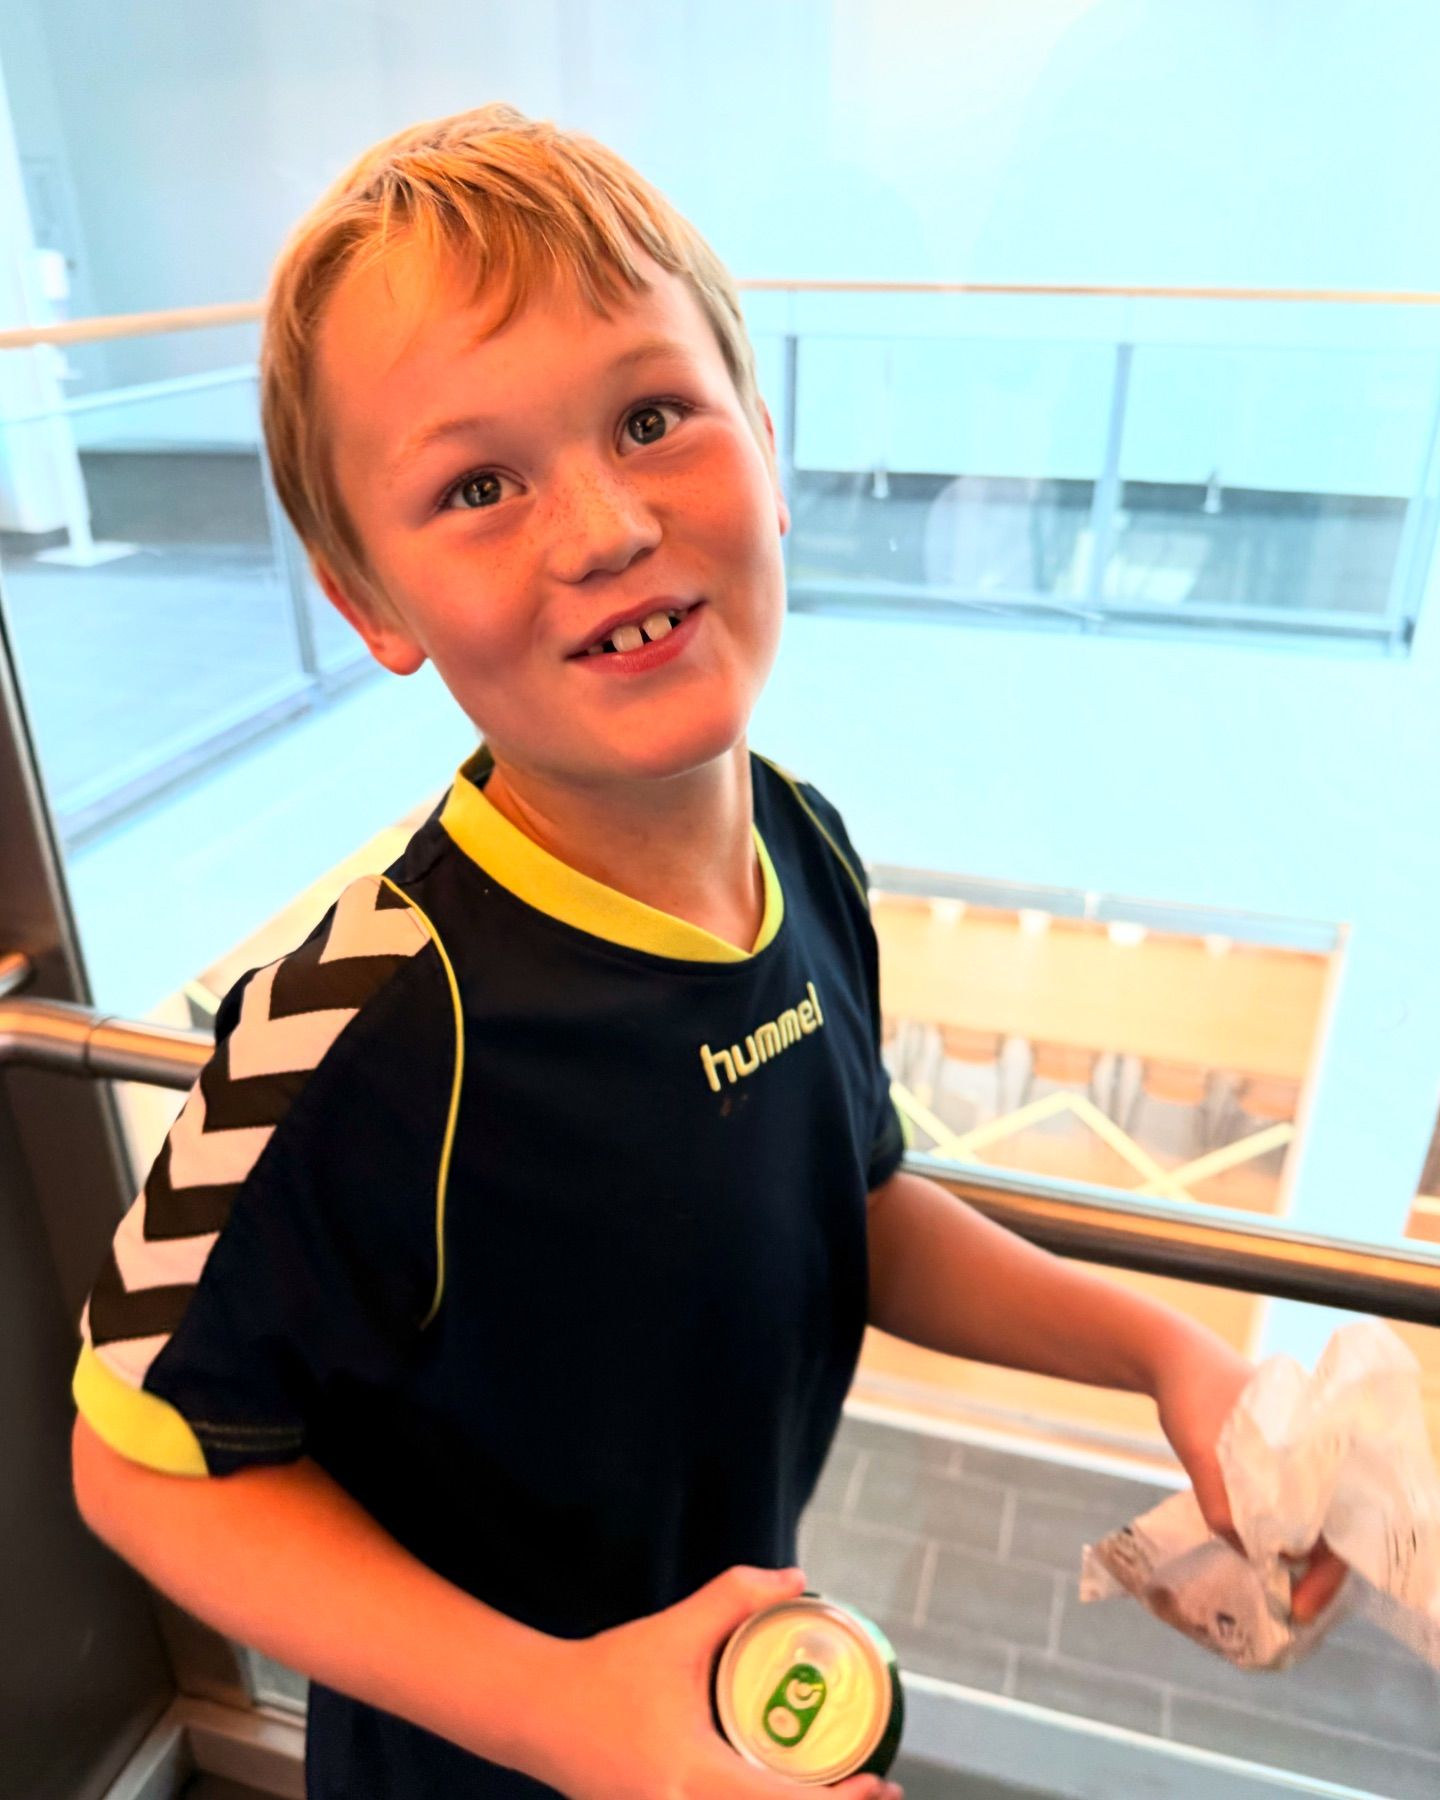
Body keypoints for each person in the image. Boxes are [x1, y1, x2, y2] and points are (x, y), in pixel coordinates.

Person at [69, 105, 1344, 1800]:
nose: (603, 526)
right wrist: (565, 1718)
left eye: (651, 416)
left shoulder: (801, 850)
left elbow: (846, 1204)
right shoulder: (362, 1025)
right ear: (371, 602)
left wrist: (1167, 1354)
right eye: (477, 486)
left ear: (768, 443)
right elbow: (135, 1456)